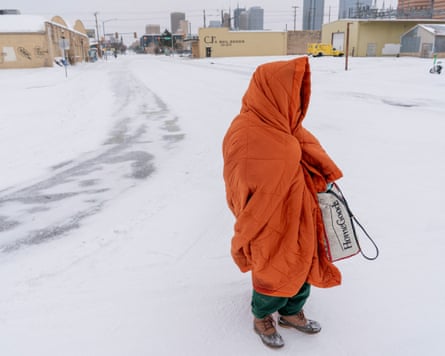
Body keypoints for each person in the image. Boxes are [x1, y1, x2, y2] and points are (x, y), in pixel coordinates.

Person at [222, 56, 343, 348]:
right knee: (273, 267)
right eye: (291, 94)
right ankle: (262, 315)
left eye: (298, 95)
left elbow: (312, 158)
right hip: (267, 218)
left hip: (302, 210)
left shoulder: (287, 126)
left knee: (303, 261)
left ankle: (291, 312)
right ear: (271, 92)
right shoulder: (246, 131)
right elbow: (239, 185)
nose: (297, 102)